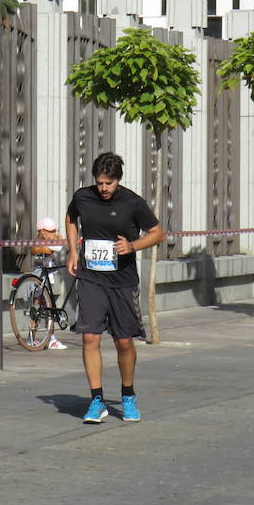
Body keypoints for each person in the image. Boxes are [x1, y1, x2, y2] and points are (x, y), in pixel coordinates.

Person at [65, 152, 165, 424]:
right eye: (99, 183)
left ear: (118, 181)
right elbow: (71, 219)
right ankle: (96, 399)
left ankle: (128, 395)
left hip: (122, 280)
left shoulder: (133, 203)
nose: (103, 189)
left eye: (108, 183)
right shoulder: (83, 197)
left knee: (123, 341)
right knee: (89, 337)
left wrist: (132, 246)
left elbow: (158, 233)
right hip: (91, 278)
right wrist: (73, 252)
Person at [30, 217, 68, 349]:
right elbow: (57, 248)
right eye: (50, 231)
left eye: (54, 230)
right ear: (42, 232)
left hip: (46, 277)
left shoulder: (47, 241)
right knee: (38, 308)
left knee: (45, 307)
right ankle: (38, 337)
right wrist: (58, 239)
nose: (54, 233)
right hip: (40, 277)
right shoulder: (41, 243)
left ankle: (47, 337)